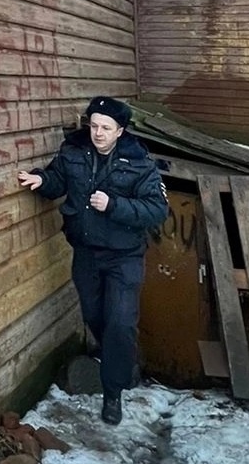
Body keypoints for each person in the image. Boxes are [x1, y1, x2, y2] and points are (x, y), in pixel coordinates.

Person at [16, 96, 168, 426]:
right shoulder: (74, 152)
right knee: (95, 316)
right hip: (85, 252)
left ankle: (113, 392)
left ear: (120, 131)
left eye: (105, 128)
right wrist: (42, 181)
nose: (97, 133)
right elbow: (58, 178)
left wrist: (114, 205)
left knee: (119, 320)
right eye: (94, 125)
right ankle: (123, 357)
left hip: (123, 256)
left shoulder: (139, 164)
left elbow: (157, 210)